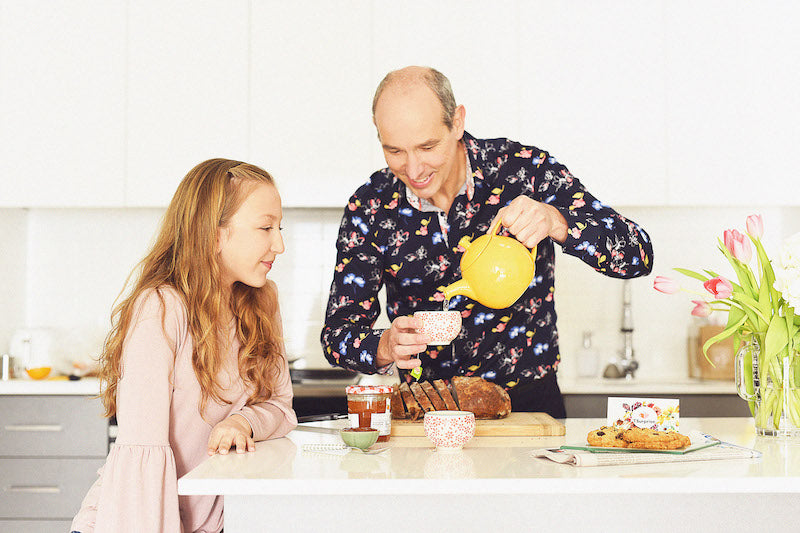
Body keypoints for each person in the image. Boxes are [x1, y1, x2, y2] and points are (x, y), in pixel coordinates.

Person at [320, 66, 653, 418]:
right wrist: (383, 346)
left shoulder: (525, 171)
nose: (414, 169)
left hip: (529, 408)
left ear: (457, 121)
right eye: (395, 151)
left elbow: (638, 253)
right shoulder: (371, 206)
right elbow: (337, 335)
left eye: (427, 146)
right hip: (428, 412)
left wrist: (558, 221)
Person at [71, 159, 297, 533]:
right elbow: (141, 453)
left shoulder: (260, 301)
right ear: (213, 233)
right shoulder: (161, 308)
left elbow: (280, 408)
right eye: (265, 227)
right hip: (138, 521)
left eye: (279, 228)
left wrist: (243, 421)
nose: (280, 244)